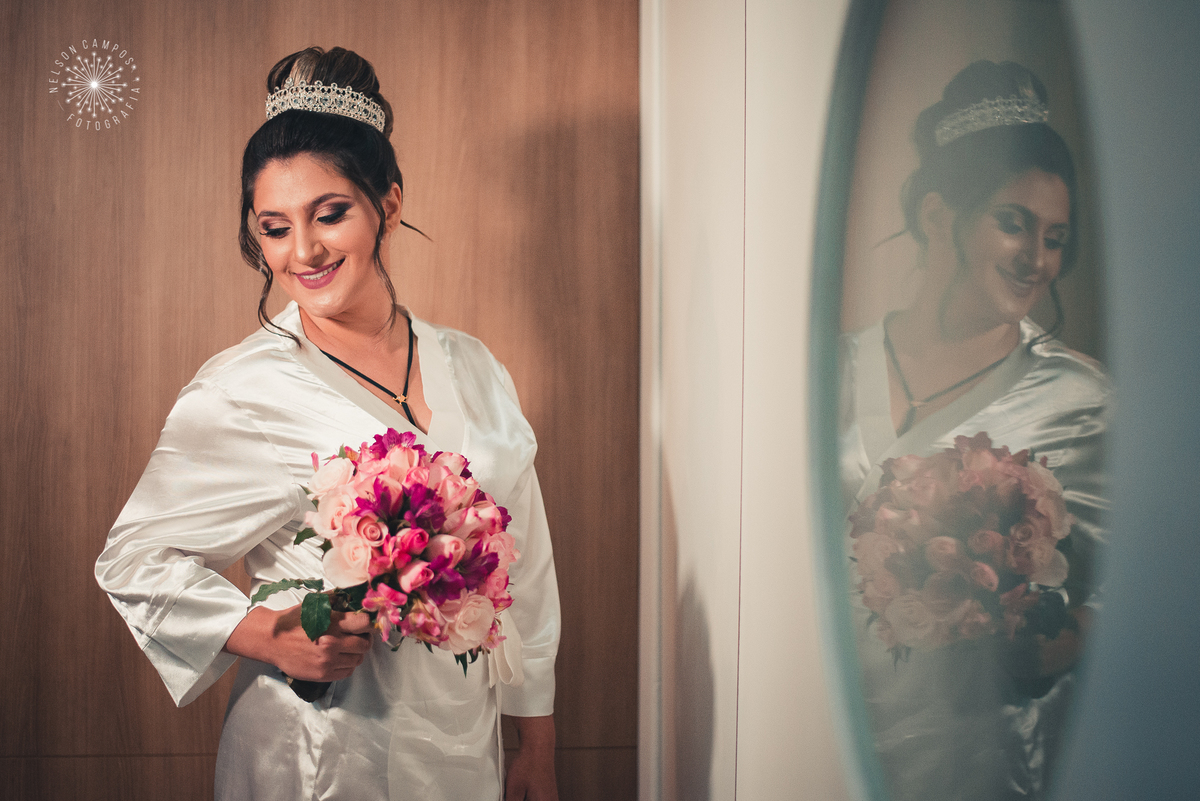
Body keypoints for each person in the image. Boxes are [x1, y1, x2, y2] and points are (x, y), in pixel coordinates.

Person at [95, 47, 560, 801]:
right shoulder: (243, 389)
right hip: (318, 755)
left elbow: (525, 563)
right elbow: (133, 559)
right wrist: (269, 635)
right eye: (274, 228)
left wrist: (535, 744)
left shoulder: (474, 366)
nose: (303, 252)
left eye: (330, 214)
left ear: (389, 206)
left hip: (462, 746)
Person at [839, 61, 1109, 801]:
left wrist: (1060, 640)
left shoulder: (1081, 401)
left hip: (979, 762)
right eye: (1013, 222)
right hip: (820, 734)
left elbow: (1155, 588)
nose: (1037, 259)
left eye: (1056, 237)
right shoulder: (832, 370)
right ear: (937, 216)